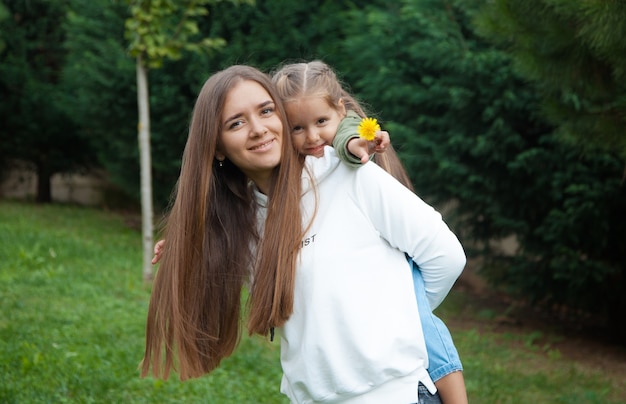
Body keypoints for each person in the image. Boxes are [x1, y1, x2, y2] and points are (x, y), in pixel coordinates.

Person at [142, 64, 466, 403]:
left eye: (266, 111)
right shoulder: (241, 225)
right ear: (218, 147)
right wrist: (189, 246)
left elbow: (445, 256)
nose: (257, 129)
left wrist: (390, 322)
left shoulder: (349, 176)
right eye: (236, 123)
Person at [271, 60, 468, 403]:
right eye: (296, 128)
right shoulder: (276, 193)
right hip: (318, 391)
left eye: (320, 122)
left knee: (434, 342)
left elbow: (447, 257)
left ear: (339, 110)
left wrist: (398, 311)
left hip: (395, 382)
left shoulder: (353, 163)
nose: (312, 136)